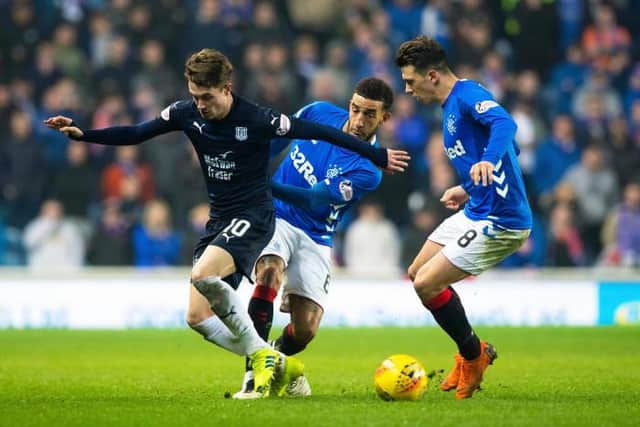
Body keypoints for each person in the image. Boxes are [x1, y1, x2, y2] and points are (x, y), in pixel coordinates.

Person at [45, 48, 409, 398]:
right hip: (242, 215)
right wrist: (85, 134)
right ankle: (272, 364)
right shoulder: (188, 113)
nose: (200, 104)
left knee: (303, 330)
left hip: (288, 222)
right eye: (195, 96)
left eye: (206, 97)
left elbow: (315, 191)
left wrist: (373, 154)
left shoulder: (271, 124)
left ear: (226, 89)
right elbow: (137, 132)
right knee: (197, 315)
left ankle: (266, 361)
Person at [233, 77, 396, 399]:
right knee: (268, 272)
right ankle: (254, 375)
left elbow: (313, 200)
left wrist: (261, 183)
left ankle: (278, 359)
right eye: (355, 109)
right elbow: (276, 144)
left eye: (369, 114)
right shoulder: (318, 113)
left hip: (316, 235)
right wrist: (254, 166)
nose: (358, 120)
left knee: (305, 332)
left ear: (384, 118)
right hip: (275, 216)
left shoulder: (368, 170)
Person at [394, 36, 532, 399]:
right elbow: (510, 151)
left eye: (410, 81)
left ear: (433, 75)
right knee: (416, 273)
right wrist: (468, 187)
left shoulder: (468, 96)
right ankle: (474, 350)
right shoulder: (451, 106)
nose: (407, 90)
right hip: (477, 209)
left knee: (427, 284)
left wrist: (486, 161)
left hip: (502, 220)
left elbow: (506, 126)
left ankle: (473, 356)